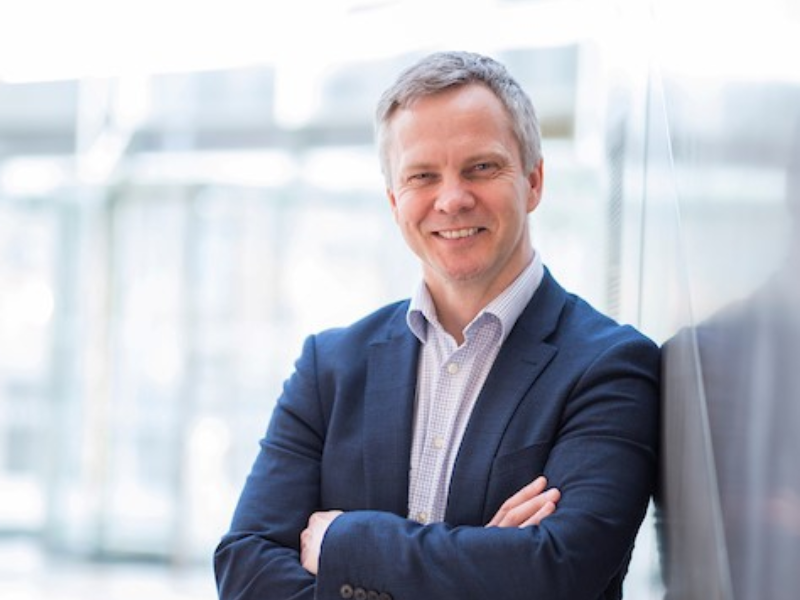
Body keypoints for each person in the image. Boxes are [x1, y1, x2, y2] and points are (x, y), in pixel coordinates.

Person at [214, 50, 660, 600]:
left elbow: (557, 573)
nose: (452, 199)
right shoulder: (328, 369)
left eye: (481, 168)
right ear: (394, 198)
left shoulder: (610, 367)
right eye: (423, 175)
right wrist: (483, 559)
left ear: (534, 180)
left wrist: (348, 542)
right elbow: (243, 571)